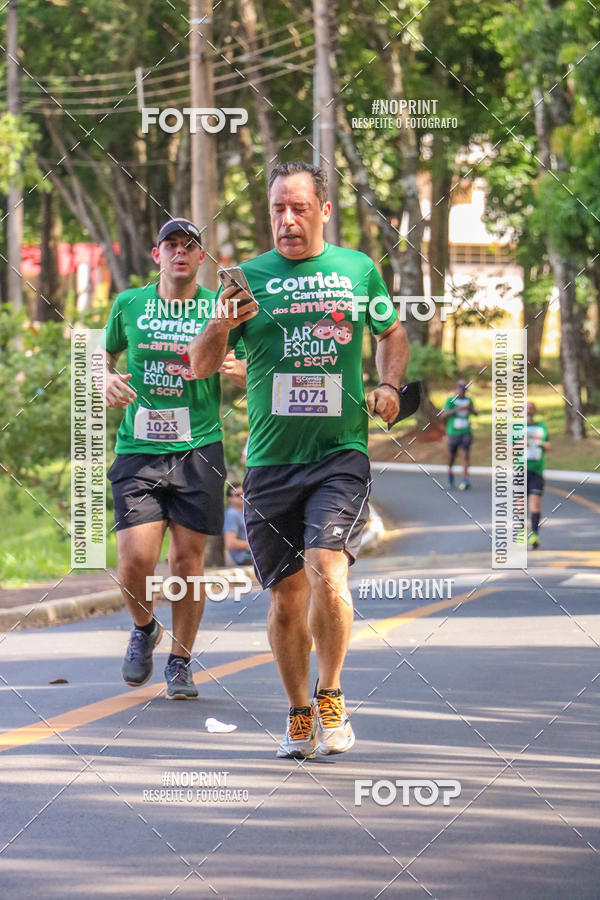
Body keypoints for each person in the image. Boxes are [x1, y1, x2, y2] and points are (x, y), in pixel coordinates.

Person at [190, 161, 409, 758]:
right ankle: (298, 711)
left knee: (327, 568)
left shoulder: (356, 269)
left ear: (324, 211)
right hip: (268, 463)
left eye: (299, 208)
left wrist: (389, 386)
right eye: (277, 210)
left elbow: (390, 332)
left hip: (339, 452)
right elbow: (203, 365)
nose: (287, 220)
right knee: (286, 597)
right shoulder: (246, 280)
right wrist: (219, 321)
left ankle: (331, 693)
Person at [103, 217, 245, 699]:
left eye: (190, 246)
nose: (180, 252)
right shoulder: (130, 304)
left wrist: (238, 367)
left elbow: (253, 361)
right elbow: (99, 356)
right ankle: (144, 627)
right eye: (171, 245)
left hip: (198, 449)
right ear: (155, 254)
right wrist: (104, 378)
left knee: (187, 564)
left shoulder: (218, 308)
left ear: (201, 258)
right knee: (134, 562)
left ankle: (181, 661)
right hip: (138, 450)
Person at [443, 379, 477, 490]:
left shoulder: (469, 400)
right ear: (456, 389)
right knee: (451, 457)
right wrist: (458, 409)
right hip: (453, 432)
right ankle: (450, 473)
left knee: (465, 455)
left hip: (465, 431)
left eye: (464, 389)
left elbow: (476, 413)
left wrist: (470, 409)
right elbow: (444, 414)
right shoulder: (451, 401)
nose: (462, 391)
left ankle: (465, 479)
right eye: (460, 388)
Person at [526, 400, 550, 549]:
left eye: (530, 409)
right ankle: (522, 532)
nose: (528, 412)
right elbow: (509, 450)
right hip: (520, 471)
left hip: (537, 471)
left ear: (534, 411)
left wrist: (538, 442)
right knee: (521, 506)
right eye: (525, 409)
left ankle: (534, 535)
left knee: (535, 503)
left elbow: (548, 446)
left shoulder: (541, 427)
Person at [223, 483, 252, 565]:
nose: (242, 497)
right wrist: (253, 544)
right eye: (238, 495)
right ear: (229, 499)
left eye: (244, 493)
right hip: (244, 557)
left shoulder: (244, 512)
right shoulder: (232, 514)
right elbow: (230, 542)